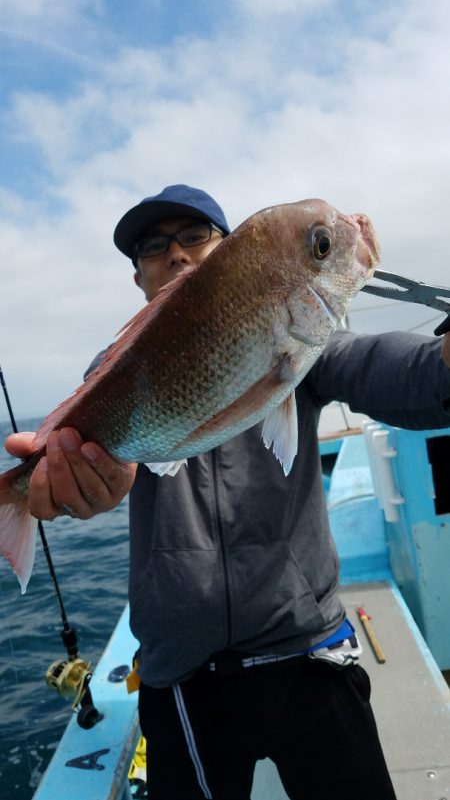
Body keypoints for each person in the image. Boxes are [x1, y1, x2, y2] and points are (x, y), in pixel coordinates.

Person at [5, 185, 450, 800]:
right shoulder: (115, 369)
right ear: (138, 276)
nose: (177, 256)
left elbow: (387, 367)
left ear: (231, 254)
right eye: (154, 247)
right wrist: (92, 488)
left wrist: (443, 363)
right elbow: (113, 466)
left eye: (195, 237)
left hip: (306, 645)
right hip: (181, 671)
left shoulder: (301, 346)